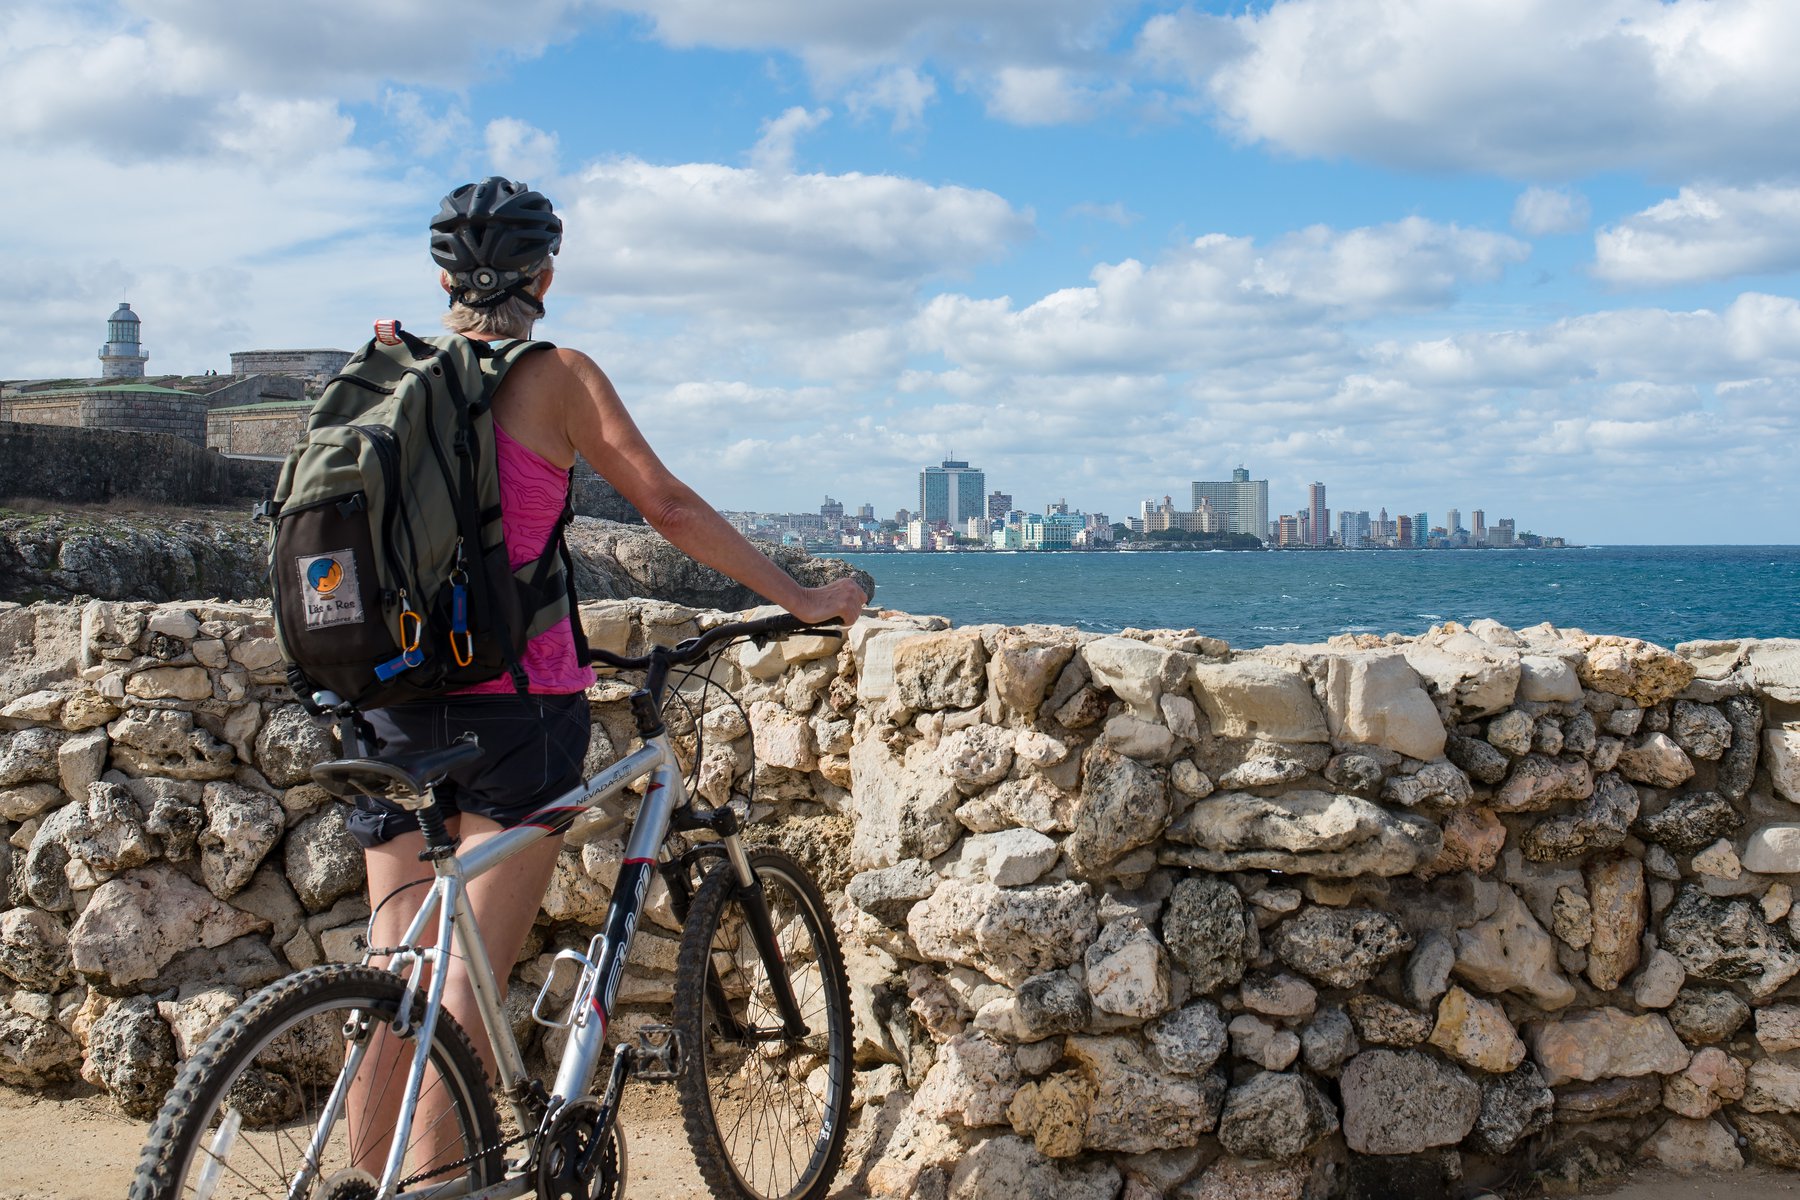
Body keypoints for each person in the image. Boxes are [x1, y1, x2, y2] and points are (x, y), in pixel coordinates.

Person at [346, 176, 867, 1172]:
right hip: (516, 715)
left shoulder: (391, 368)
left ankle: (364, 1180)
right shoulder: (556, 374)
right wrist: (799, 599)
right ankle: (430, 1189)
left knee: (392, 973)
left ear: (445, 279)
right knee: (461, 991)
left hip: (389, 701)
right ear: (546, 276)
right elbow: (667, 508)